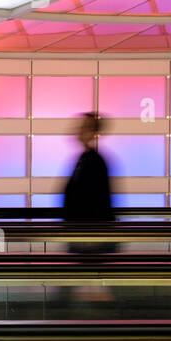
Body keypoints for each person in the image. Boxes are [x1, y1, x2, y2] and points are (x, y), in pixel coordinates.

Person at [58, 112, 117, 309]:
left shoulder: (92, 161)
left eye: (83, 127)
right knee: (90, 276)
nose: (78, 130)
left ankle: (59, 314)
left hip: (88, 233)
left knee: (74, 278)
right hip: (86, 232)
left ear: (93, 132)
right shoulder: (88, 159)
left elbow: (93, 199)